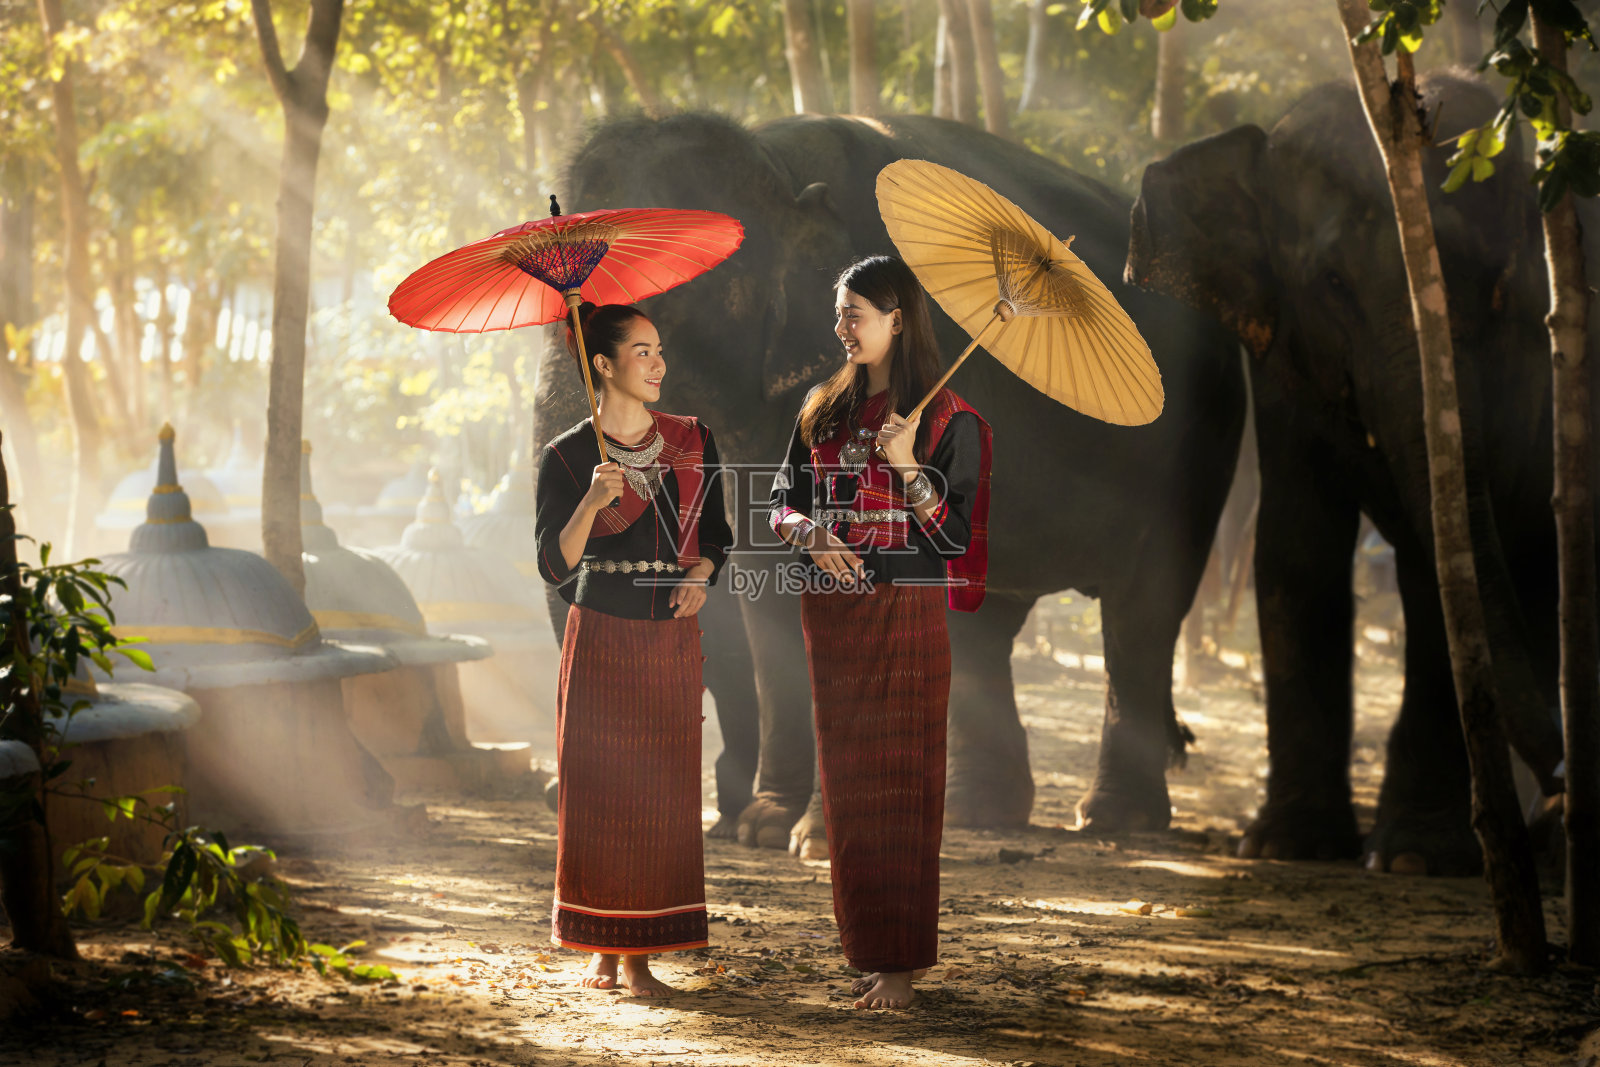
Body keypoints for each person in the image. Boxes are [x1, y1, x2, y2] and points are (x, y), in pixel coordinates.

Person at [768, 255, 992, 1009]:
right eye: (839, 313)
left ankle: (900, 965)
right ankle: (869, 950)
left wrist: (908, 465)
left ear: (898, 319)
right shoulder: (820, 408)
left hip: (906, 610)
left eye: (854, 313)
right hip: (833, 614)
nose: (842, 327)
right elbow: (780, 502)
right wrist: (811, 538)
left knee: (905, 783)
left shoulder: (950, 419)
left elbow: (953, 536)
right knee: (850, 787)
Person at [534, 301, 732, 997]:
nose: (657, 364)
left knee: (660, 795)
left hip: (669, 640)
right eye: (641, 351)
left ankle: (642, 956)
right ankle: (598, 946)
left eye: (658, 350)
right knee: (597, 790)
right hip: (600, 638)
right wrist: (588, 504)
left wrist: (703, 576)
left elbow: (716, 536)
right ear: (603, 364)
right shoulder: (566, 456)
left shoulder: (692, 439)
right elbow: (553, 568)